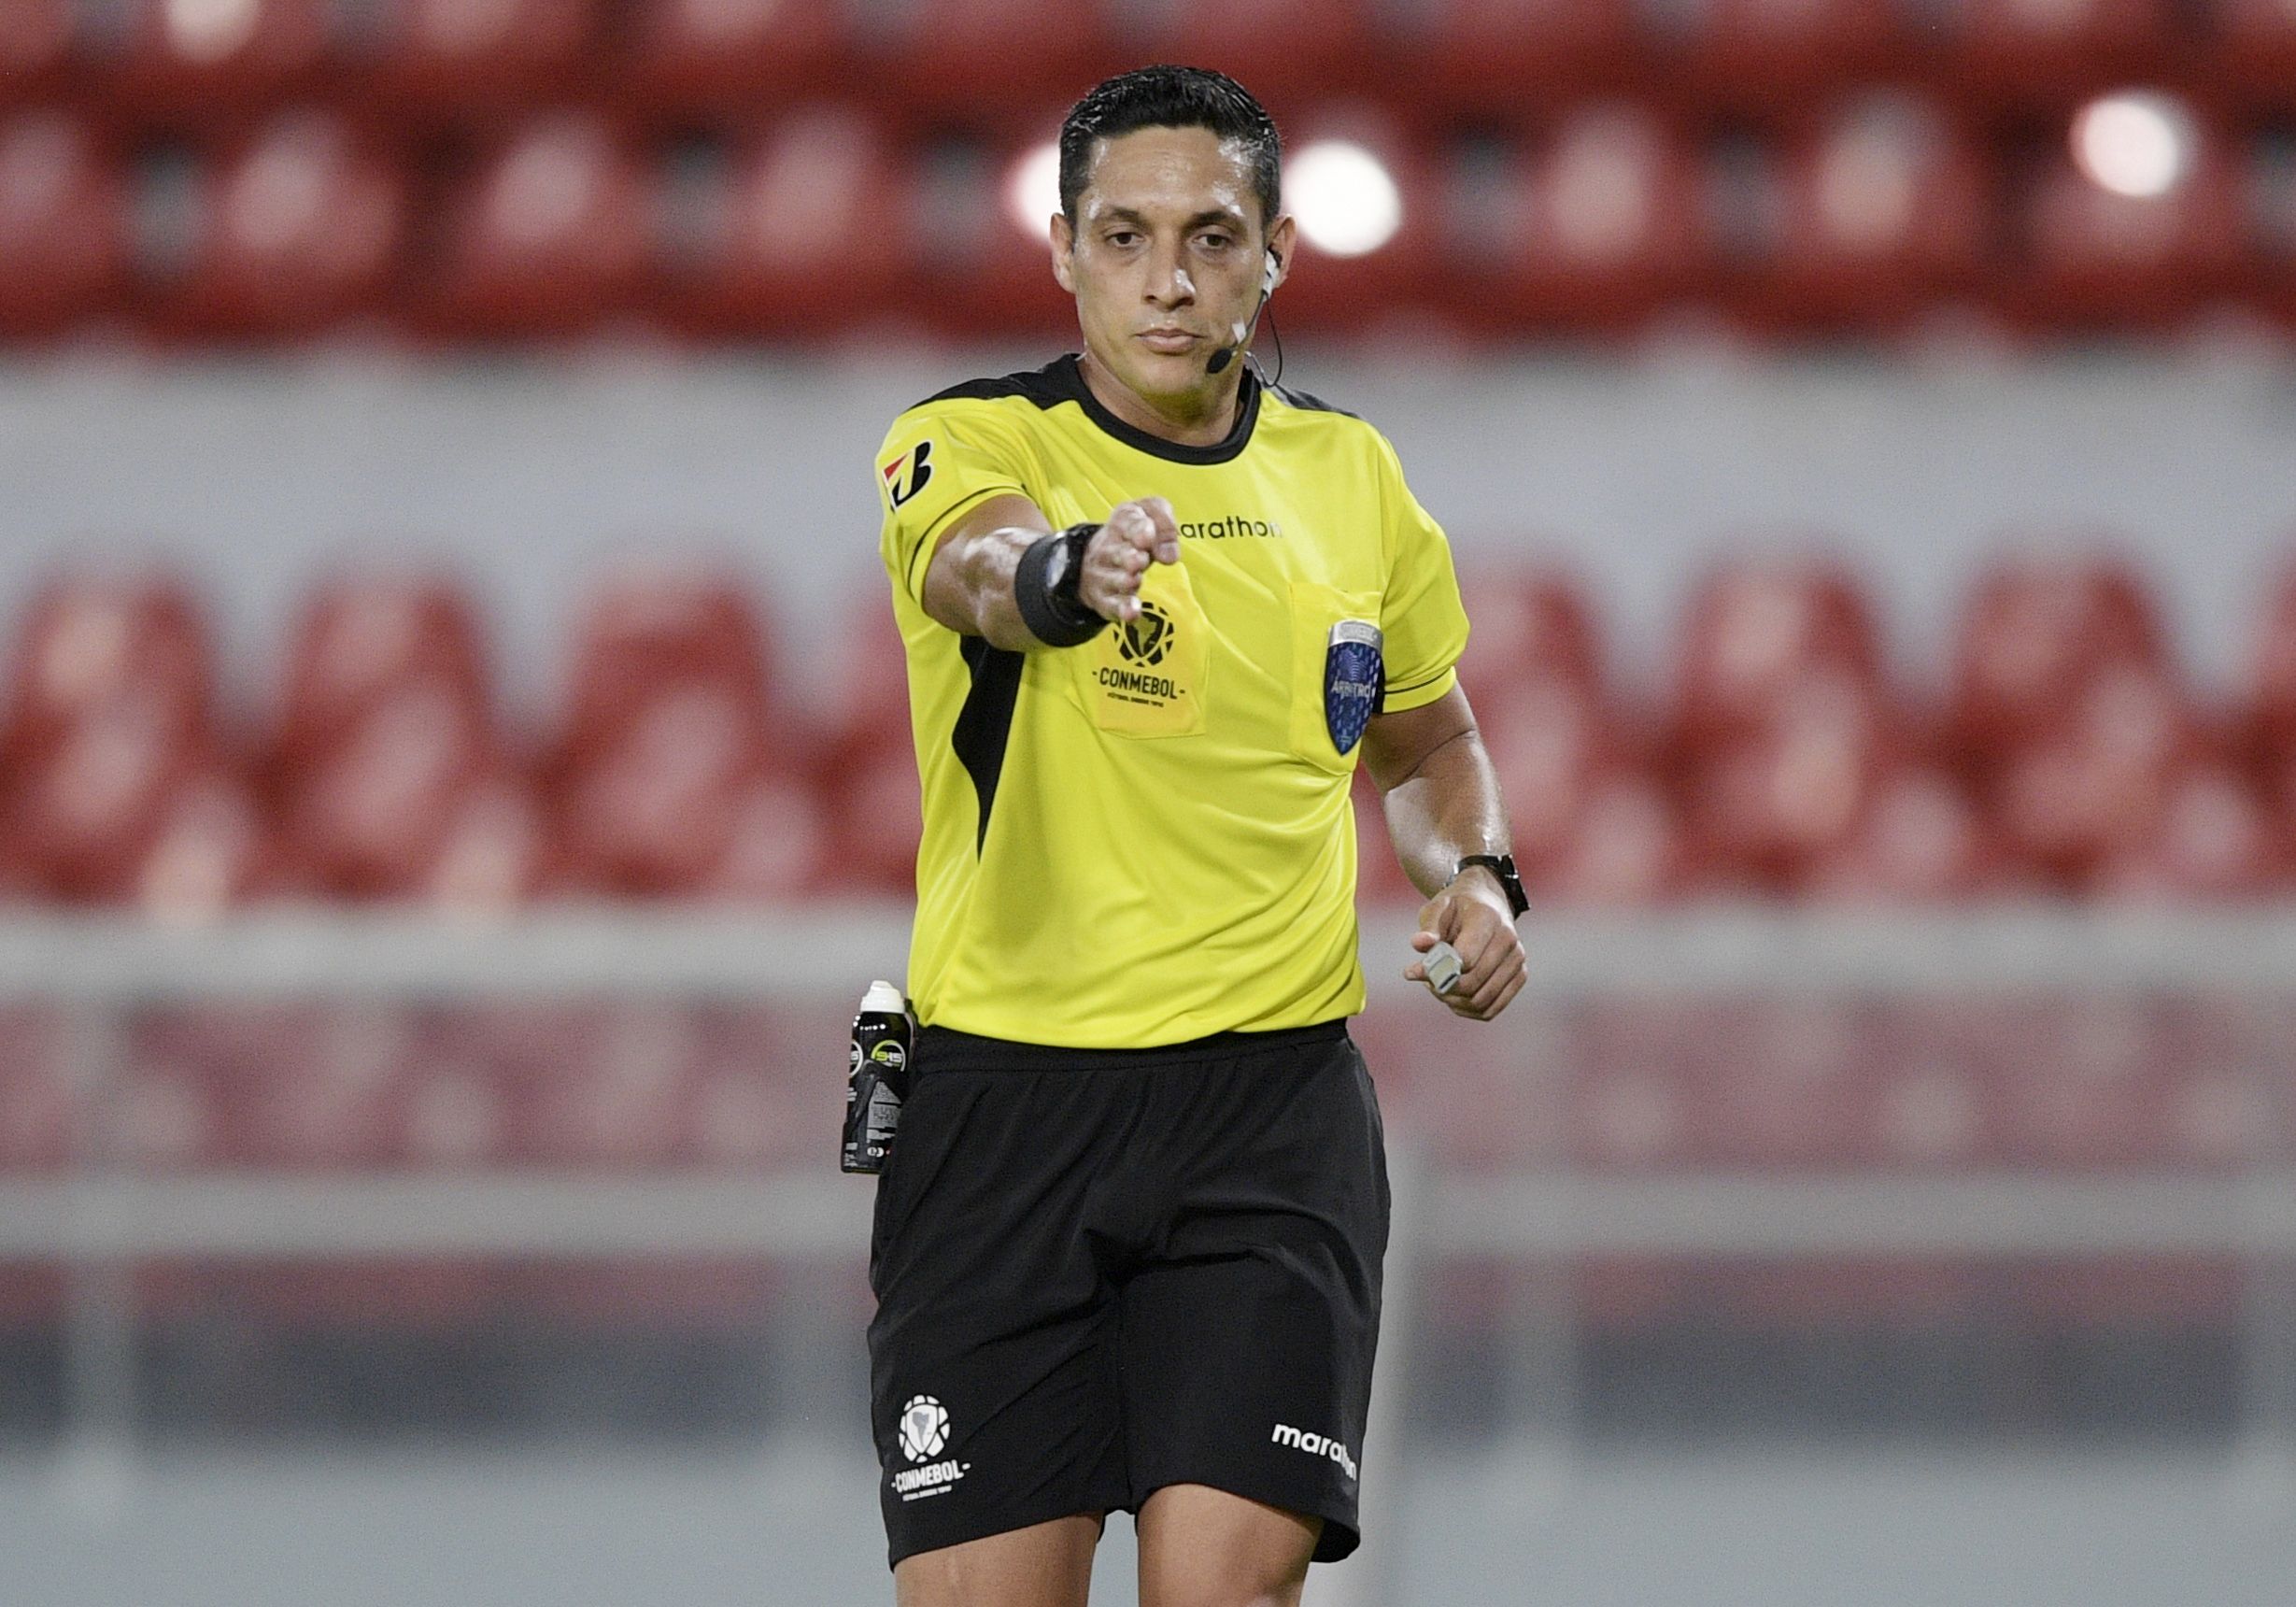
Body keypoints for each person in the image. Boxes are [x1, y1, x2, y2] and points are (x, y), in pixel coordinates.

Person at [867, 64, 1527, 1607]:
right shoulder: (968, 443)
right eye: (1123, 236)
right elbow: (972, 567)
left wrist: (1477, 873)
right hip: (1001, 1108)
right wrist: (1060, 581)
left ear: (1275, 254)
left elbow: (1427, 736)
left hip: (1268, 1108)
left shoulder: (1351, 478)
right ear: (1059, 250)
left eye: (1212, 236)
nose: (1168, 279)